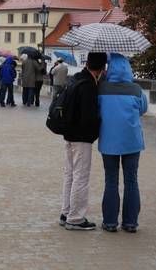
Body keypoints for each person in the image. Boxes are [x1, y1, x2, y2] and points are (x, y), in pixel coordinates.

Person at [97, 53, 148, 232]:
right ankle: (130, 222)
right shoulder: (136, 89)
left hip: (109, 141)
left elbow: (97, 112)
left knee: (111, 180)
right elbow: (143, 109)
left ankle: (110, 222)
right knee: (131, 181)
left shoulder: (102, 89)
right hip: (132, 141)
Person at [59, 52, 107, 230]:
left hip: (69, 134)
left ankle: (66, 212)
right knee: (81, 177)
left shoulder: (76, 78)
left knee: (70, 175)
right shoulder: (88, 85)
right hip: (81, 137)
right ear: (102, 68)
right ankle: (76, 218)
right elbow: (89, 118)